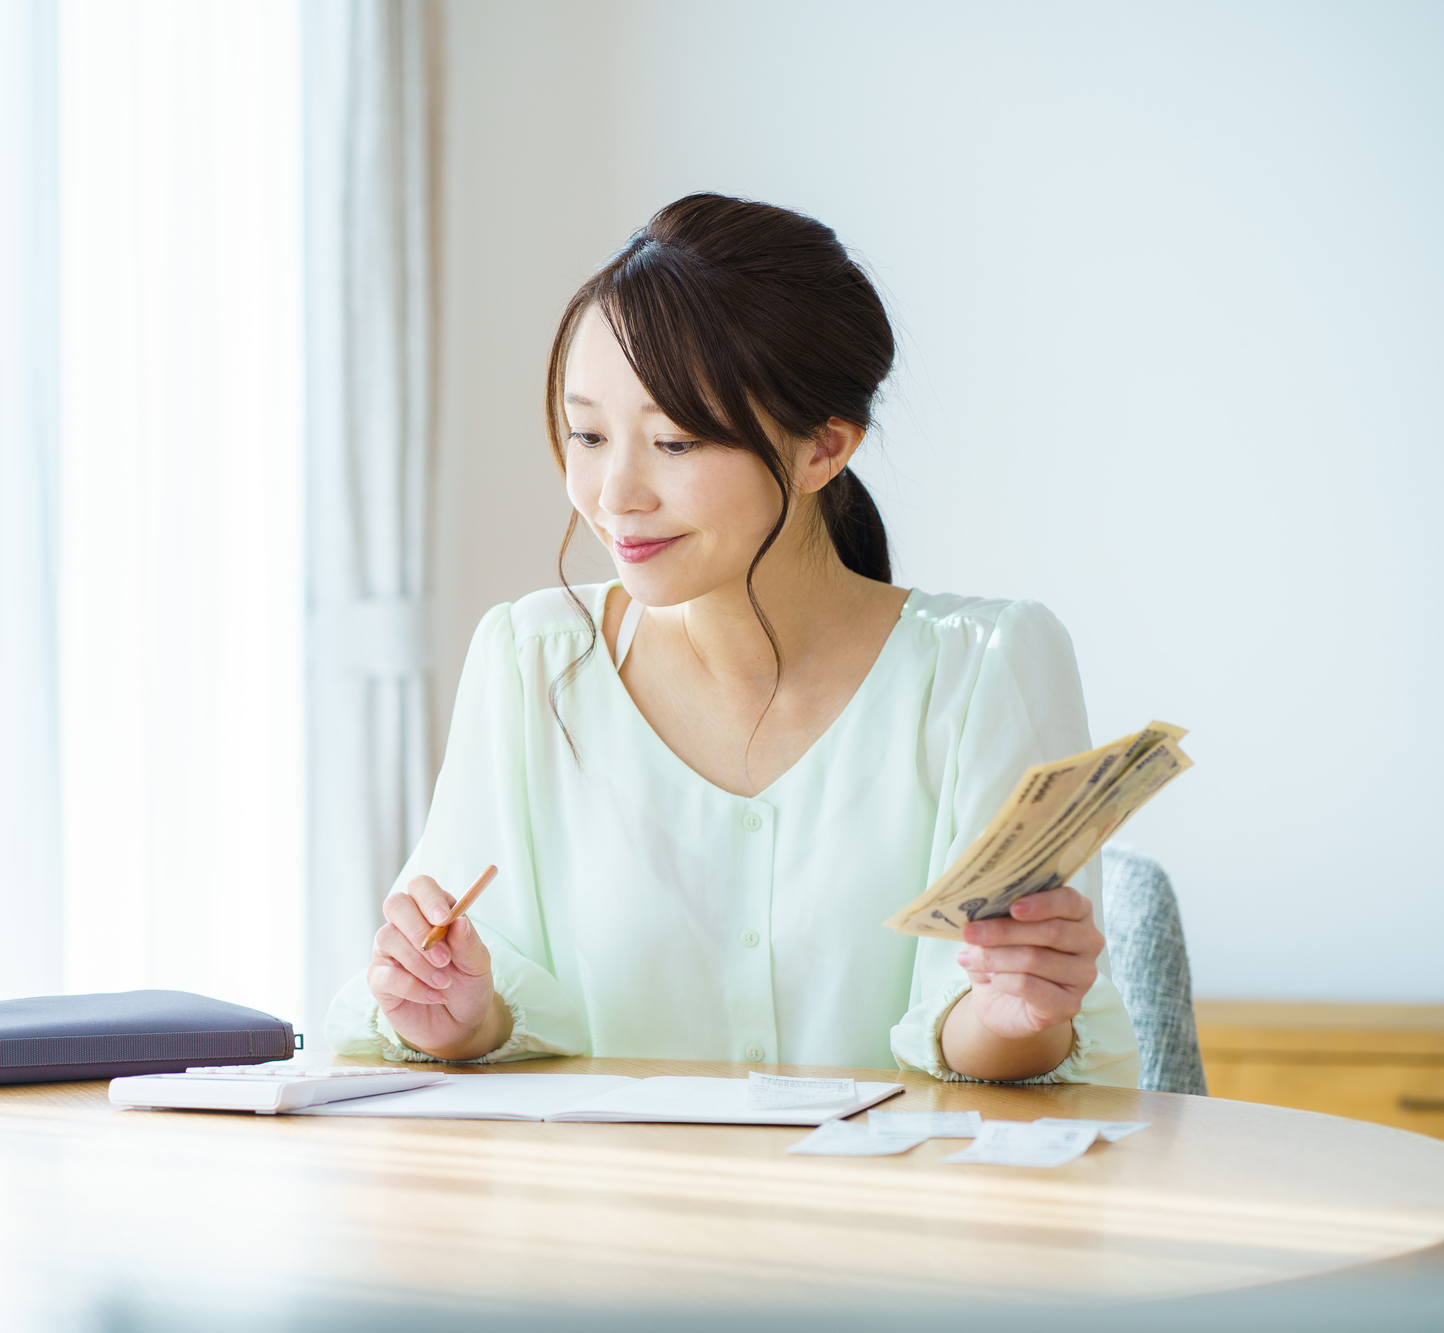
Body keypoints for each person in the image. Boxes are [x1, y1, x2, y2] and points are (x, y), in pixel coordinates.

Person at [326, 194, 1137, 1084]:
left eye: (674, 441)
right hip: (601, 1220)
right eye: (588, 434)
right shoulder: (532, 661)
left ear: (824, 447)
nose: (614, 493)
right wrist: (455, 1012)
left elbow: (990, 1040)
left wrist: (1012, 1012)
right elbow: (475, 998)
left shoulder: (985, 670)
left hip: (888, 1218)